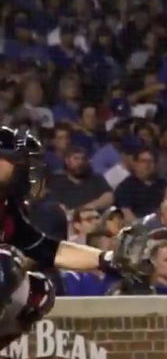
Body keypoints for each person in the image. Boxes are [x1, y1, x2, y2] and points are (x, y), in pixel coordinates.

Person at [0, 127, 128, 348]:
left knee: (39, 292)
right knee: (5, 263)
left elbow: (49, 250)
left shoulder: (6, 207)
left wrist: (108, 258)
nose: (23, 169)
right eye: (16, 161)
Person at [45, 146, 113, 210]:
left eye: (83, 159)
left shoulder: (96, 178)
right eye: (76, 158)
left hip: (95, 216)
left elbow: (109, 197)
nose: (80, 162)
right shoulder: (57, 181)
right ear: (67, 161)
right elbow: (55, 204)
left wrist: (89, 207)